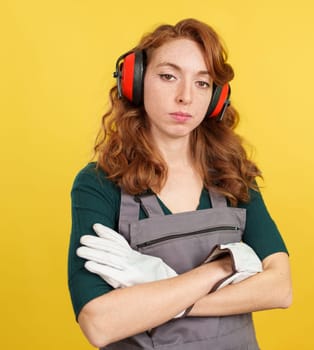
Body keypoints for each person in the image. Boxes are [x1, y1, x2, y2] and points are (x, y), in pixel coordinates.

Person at [67, 18, 292, 350]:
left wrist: (158, 291)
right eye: (168, 76)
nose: (185, 96)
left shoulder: (233, 175)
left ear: (216, 97)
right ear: (137, 82)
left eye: (202, 83)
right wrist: (221, 269)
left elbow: (279, 288)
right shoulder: (99, 184)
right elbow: (100, 323)